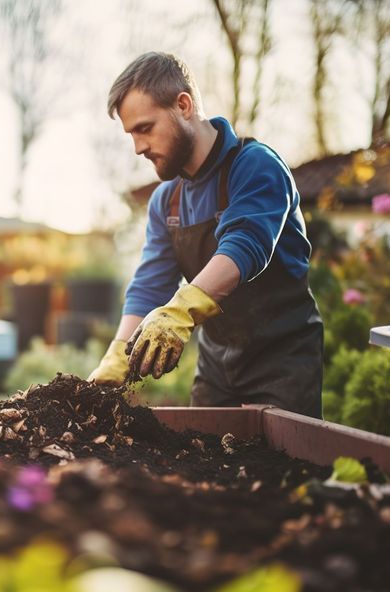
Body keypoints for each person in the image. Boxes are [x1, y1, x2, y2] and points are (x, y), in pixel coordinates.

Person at [87, 52, 323, 418]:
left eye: (145, 128)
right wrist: (118, 353)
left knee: (280, 469)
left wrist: (179, 311)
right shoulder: (167, 201)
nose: (138, 148)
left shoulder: (256, 166)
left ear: (183, 105)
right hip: (217, 369)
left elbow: (246, 245)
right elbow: (151, 284)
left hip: (282, 363)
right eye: (131, 134)